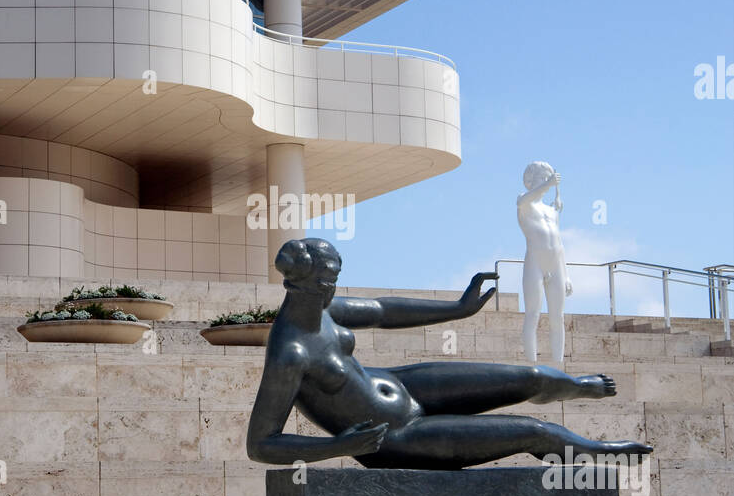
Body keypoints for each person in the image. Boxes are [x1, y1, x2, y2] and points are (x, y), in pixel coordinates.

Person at [247, 237, 651, 470]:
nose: (333, 288)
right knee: (534, 431)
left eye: (335, 279)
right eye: (326, 281)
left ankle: (572, 386)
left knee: (532, 378)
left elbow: (386, 311)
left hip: (407, 385)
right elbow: (261, 443)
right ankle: (600, 450)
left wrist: (457, 309)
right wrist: (336, 448)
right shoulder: (290, 353)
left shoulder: (325, 309)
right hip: (396, 436)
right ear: (298, 284)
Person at [518, 161, 571, 368]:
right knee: (533, 314)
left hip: (555, 263)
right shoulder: (524, 203)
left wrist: (566, 274)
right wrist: (548, 184)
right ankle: (532, 364)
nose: (546, 183)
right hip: (535, 263)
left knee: (558, 317)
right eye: (541, 178)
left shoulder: (553, 211)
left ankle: (559, 364)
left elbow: (559, 242)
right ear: (531, 181)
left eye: (547, 178)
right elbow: (523, 201)